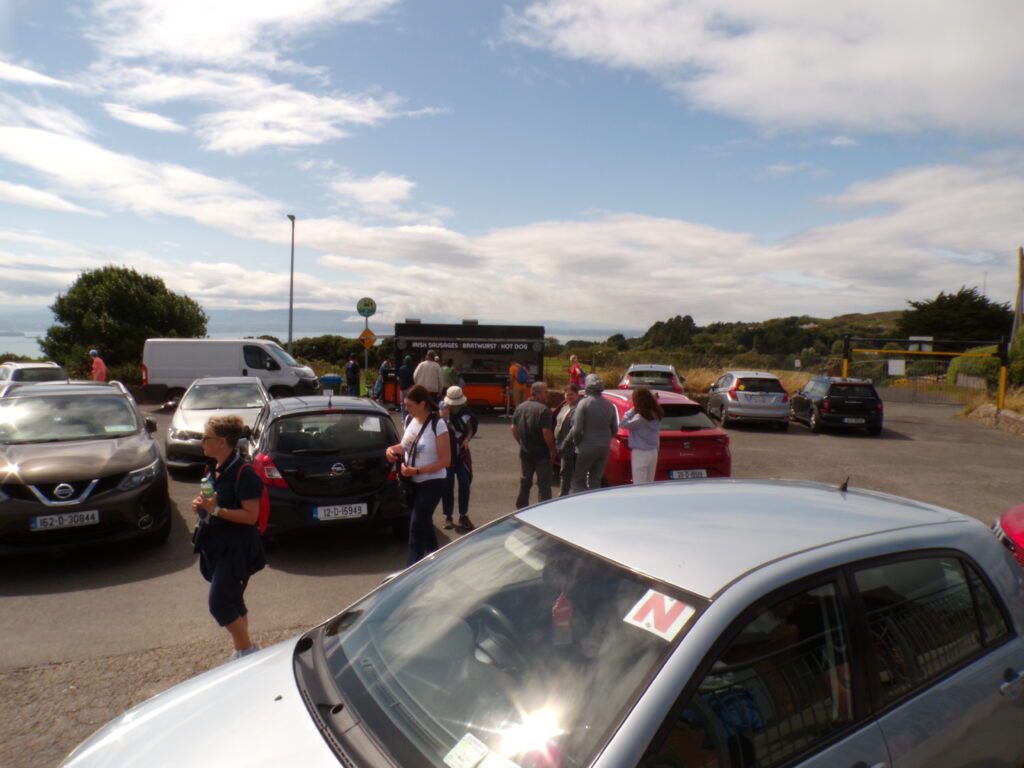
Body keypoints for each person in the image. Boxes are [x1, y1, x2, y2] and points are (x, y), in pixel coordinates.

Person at [191, 414, 266, 660]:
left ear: (222, 442)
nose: (201, 442)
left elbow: (250, 516)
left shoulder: (244, 473)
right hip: (217, 544)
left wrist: (217, 510)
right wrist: (202, 505)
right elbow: (213, 503)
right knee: (233, 599)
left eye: (205, 438)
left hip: (237, 548)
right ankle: (243, 649)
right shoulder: (213, 468)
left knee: (219, 603)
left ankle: (246, 651)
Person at [386, 385, 451, 565]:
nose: (407, 409)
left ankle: (411, 571)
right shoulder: (410, 420)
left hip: (433, 482)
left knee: (416, 526)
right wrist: (391, 450)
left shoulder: (438, 424)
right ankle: (436, 561)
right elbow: (405, 446)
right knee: (424, 522)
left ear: (422, 404)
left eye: (410, 405)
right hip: (412, 482)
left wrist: (417, 471)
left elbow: (445, 461)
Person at [512, 381, 557, 509]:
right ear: (538, 393)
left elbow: (513, 428)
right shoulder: (544, 410)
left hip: (526, 452)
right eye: (545, 392)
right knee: (543, 484)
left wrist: (521, 442)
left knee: (525, 481)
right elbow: (546, 432)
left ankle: (521, 508)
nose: (547, 394)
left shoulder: (520, 407)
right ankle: (544, 510)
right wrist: (552, 449)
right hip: (542, 453)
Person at [570, 374, 617, 493]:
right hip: (604, 447)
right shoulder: (610, 405)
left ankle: (580, 505)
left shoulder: (584, 403)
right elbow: (615, 429)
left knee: (578, 479)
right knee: (595, 479)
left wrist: (577, 443)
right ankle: (594, 504)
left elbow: (577, 429)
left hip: (586, 446)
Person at [440, 385, 477, 532]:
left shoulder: (466, 412)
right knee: (447, 485)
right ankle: (448, 516)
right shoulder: (442, 410)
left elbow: (470, 428)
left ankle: (463, 515)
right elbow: (439, 427)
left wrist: (467, 439)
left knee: (465, 483)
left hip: (462, 452)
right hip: (447, 453)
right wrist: (444, 416)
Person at [620, 386, 664, 484]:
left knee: (639, 483)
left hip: (640, 452)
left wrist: (633, 409)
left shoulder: (639, 418)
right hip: (653, 451)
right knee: (649, 482)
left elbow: (622, 423)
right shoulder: (656, 414)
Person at [554, 383, 581, 497]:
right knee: (564, 473)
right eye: (567, 394)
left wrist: (565, 443)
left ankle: (566, 497)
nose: (569, 397)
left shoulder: (577, 409)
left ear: (577, 395)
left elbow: (575, 429)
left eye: (572, 394)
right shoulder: (565, 407)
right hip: (562, 445)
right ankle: (563, 495)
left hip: (571, 447)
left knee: (570, 475)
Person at [397, 355, 415, 419]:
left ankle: (403, 418)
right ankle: (410, 417)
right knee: (410, 403)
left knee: (402, 404)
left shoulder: (401, 368)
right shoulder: (413, 369)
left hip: (402, 388)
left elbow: (399, 378)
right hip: (410, 388)